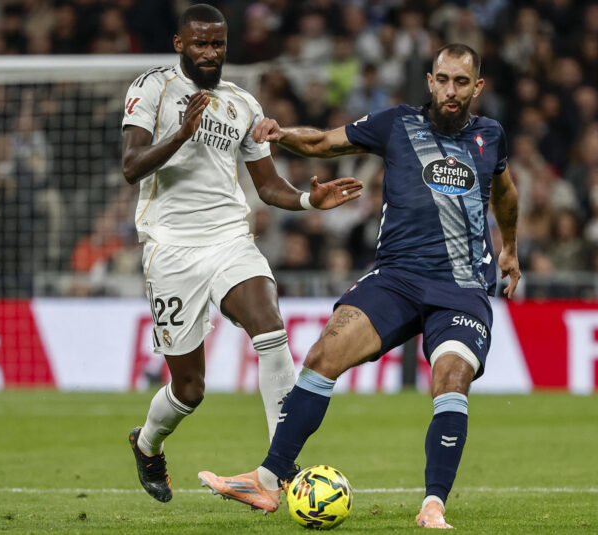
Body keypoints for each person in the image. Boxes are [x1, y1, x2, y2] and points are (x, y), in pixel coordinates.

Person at [197, 43, 521, 529]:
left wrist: (510, 248)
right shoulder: (397, 124)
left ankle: (433, 504)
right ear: (430, 82)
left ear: (477, 87)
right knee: (322, 355)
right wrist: (282, 133)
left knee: (451, 380)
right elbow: (323, 142)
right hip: (396, 278)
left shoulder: (490, 135)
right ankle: (266, 480)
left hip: (461, 287)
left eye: (461, 82)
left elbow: (505, 192)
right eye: (443, 80)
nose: (450, 91)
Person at [121, 4, 362, 503]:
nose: (210, 52)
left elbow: (268, 186)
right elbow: (131, 166)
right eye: (200, 43)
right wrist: (181, 134)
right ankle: (147, 444)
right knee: (189, 390)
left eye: (218, 44)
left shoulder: (242, 104)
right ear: (180, 44)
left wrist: (307, 200)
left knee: (270, 328)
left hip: (230, 238)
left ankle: (280, 466)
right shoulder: (152, 88)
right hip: (171, 249)